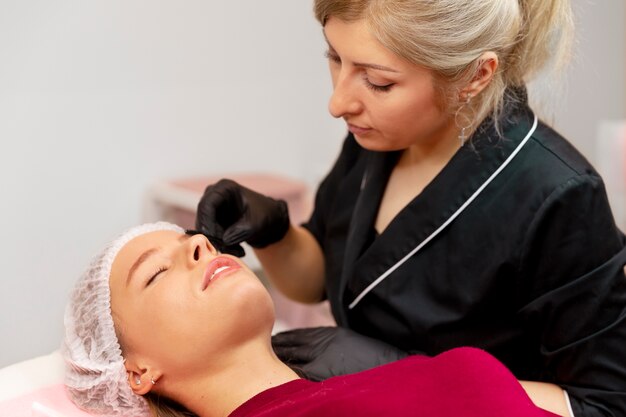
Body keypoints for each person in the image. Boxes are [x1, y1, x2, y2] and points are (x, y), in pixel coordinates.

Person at [194, 1, 626, 416]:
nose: (338, 103)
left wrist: (401, 375)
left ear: (475, 75)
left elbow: (602, 403)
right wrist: (275, 233)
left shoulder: (558, 195)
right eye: (335, 58)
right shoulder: (379, 137)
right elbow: (322, 281)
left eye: (378, 82)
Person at [62, 221, 561, 417]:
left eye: (194, 240)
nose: (199, 243)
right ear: (136, 372)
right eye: (155, 272)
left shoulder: (376, 376)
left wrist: (409, 366)